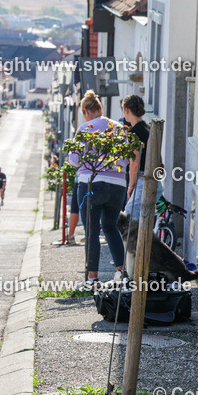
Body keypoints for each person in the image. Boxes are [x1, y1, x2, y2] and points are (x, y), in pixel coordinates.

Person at [68, 90, 128, 288]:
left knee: (92, 231)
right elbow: (127, 158)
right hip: (118, 185)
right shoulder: (118, 128)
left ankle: (92, 280)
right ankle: (122, 274)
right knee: (111, 227)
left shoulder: (85, 128)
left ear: (86, 111)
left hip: (91, 183)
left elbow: (74, 160)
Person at [122, 94, 152, 218]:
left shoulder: (133, 133)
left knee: (128, 217)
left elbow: (134, 162)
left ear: (127, 110)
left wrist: (130, 186)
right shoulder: (149, 128)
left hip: (141, 179)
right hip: (152, 178)